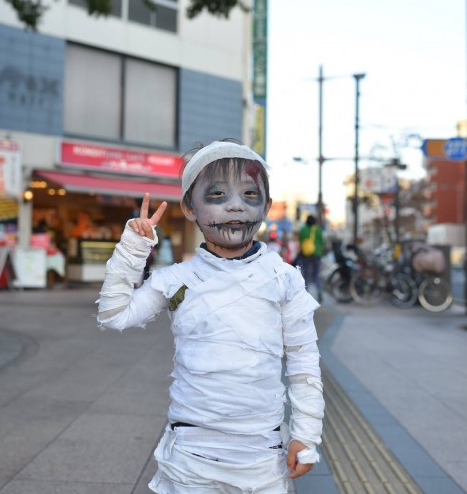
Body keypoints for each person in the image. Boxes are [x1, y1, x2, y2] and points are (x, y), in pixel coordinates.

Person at [97, 139, 324, 493]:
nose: (236, 206)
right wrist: (133, 247)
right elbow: (114, 314)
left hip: (261, 456)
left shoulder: (284, 278)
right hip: (190, 455)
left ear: (267, 205)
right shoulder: (177, 279)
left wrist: (306, 435)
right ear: (190, 207)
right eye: (217, 195)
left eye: (250, 194)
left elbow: (304, 360)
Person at [297, 215, 324, 301]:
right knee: (316, 275)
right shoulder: (318, 230)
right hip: (317, 254)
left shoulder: (303, 229)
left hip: (306, 255)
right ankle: (319, 292)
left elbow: (300, 241)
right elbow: (322, 242)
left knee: (306, 274)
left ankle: (305, 295)